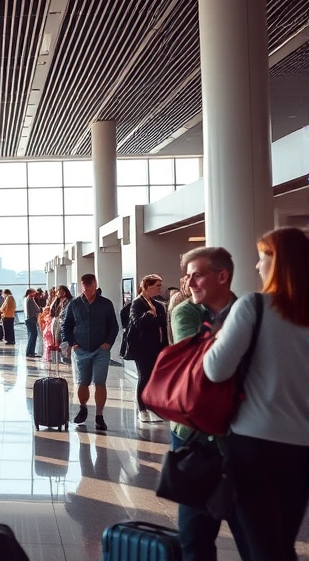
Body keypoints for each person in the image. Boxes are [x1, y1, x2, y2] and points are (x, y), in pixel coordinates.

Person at [204, 229, 309, 561]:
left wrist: (218, 339)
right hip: (303, 447)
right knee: (281, 544)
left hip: (255, 443)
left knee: (264, 547)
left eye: (263, 256)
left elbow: (216, 370)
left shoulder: (254, 306)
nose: (256, 265)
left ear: (279, 263)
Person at [169, 246, 243, 561]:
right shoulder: (185, 312)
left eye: (196, 275)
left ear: (222, 276)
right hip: (194, 436)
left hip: (240, 437)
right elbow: (200, 368)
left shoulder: (247, 311)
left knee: (254, 536)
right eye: (187, 276)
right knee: (194, 536)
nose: (189, 283)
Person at [61, 274, 118, 431]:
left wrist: (108, 343)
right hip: (81, 350)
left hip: (101, 350)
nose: (87, 291)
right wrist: (73, 344)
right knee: (83, 382)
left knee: (100, 382)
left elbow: (114, 325)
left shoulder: (105, 304)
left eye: (90, 288)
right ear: (81, 287)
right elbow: (66, 325)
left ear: (95, 285)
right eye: (84, 288)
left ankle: (99, 415)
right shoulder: (74, 304)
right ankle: (83, 407)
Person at [126, 274, 167, 424]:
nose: (160, 288)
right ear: (148, 287)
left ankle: (152, 408)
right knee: (144, 377)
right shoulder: (138, 303)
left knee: (154, 378)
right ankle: (142, 409)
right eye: (157, 285)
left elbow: (162, 322)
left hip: (158, 346)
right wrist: (149, 316)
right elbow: (138, 323)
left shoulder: (158, 304)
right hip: (142, 348)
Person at [24, 289, 41, 358]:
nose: (35, 294)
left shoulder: (26, 299)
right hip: (31, 319)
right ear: (30, 293)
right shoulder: (30, 299)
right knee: (33, 335)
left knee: (31, 335)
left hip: (28, 319)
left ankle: (30, 351)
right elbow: (37, 309)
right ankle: (30, 352)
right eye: (33, 292)